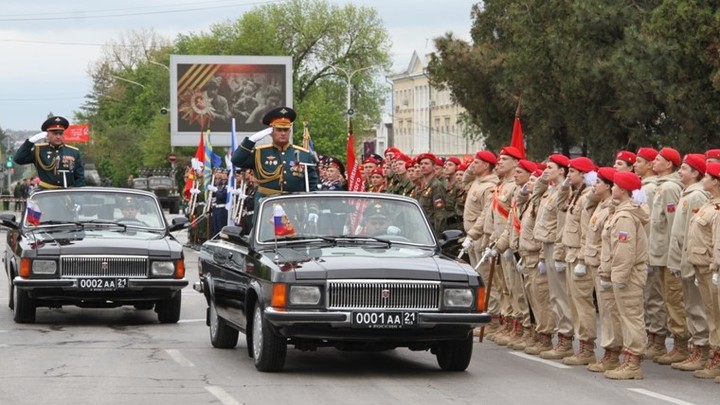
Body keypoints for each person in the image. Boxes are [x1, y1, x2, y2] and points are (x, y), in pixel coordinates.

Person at [601, 171, 650, 380]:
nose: (611, 188)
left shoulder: (625, 216)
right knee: (627, 315)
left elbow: (624, 251)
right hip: (625, 274)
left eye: (614, 186)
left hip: (628, 276)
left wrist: (618, 278)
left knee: (631, 317)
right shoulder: (620, 212)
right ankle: (628, 359)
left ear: (622, 189)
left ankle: (633, 363)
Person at [231, 106, 318, 220]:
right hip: (267, 207)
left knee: (295, 237)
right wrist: (250, 141)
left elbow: (312, 184)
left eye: (286, 130)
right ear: (271, 132)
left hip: (294, 208)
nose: (283, 133)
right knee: (266, 237)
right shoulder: (260, 152)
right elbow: (236, 160)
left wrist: (313, 209)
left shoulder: (303, 154)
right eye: (279, 130)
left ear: (290, 131)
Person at [14, 116, 85, 189]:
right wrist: (30, 141)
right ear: (47, 134)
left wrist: (77, 197)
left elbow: (79, 178)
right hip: (46, 194)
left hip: (67, 194)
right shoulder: (39, 150)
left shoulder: (73, 152)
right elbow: (18, 159)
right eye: (55, 133)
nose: (58, 136)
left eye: (60, 133)